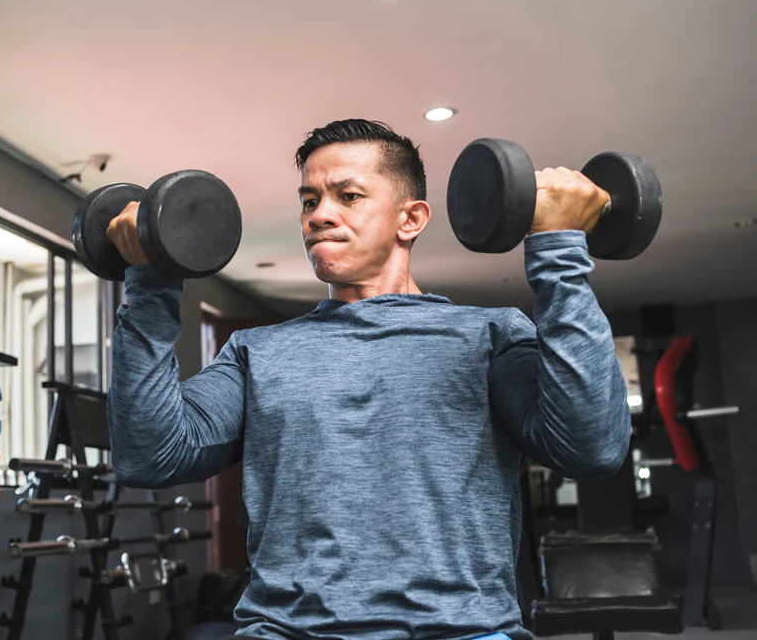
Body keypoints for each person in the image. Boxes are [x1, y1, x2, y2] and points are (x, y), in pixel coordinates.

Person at [104, 119, 630, 640]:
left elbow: (589, 446)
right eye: (309, 201)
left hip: (459, 631)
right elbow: (150, 454)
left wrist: (559, 250)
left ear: (411, 219)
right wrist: (150, 284)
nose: (319, 216)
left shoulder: (488, 337)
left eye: (348, 196)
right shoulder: (256, 353)